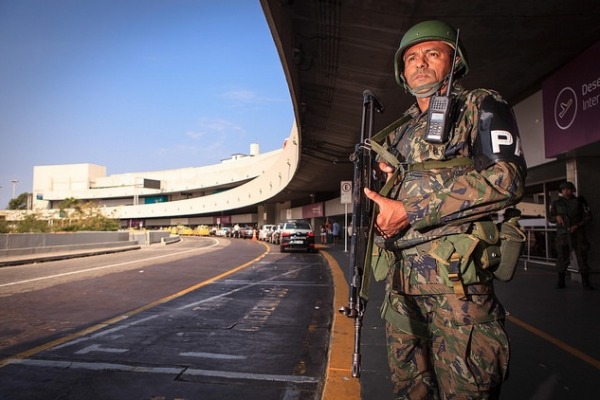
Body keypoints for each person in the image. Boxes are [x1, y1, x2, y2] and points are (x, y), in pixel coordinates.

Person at [363, 20, 527, 399]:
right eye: (411, 58)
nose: (420, 63)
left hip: (459, 288)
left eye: (432, 54)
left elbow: (507, 178)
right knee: (409, 391)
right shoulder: (399, 132)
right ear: (402, 73)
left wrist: (412, 210)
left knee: (468, 391)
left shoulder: (480, 105)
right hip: (401, 286)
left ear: (454, 63)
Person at [550, 181, 593, 290]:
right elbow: (550, 218)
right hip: (563, 236)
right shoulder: (557, 203)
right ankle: (561, 282)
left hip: (578, 235)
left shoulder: (580, 202)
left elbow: (588, 216)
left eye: (568, 189)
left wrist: (577, 226)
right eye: (563, 189)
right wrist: (556, 218)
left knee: (582, 259)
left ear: (572, 190)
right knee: (562, 258)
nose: (566, 191)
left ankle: (586, 283)